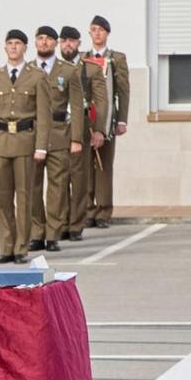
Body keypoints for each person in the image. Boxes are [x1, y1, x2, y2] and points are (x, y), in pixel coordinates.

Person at [0, 28, 52, 262]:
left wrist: (41, 146)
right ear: (5, 47)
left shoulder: (37, 77)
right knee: (3, 198)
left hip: (25, 142)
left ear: (25, 48)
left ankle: (21, 248)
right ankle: (6, 247)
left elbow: (44, 115)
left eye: (18, 43)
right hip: (1, 143)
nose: (14, 47)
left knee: (24, 198)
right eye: (10, 43)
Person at [27, 25, 84, 250]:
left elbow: (77, 107)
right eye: (40, 38)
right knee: (32, 185)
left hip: (60, 132)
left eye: (49, 39)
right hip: (32, 134)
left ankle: (53, 233)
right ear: (35, 42)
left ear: (55, 43)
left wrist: (77, 138)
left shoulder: (68, 70)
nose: (44, 43)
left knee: (57, 187)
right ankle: (36, 232)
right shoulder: (28, 70)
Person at [58, 25, 106, 242]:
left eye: (72, 40)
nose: (67, 44)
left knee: (78, 178)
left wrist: (99, 130)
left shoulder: (90, 69)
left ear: (79, 43)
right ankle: (58, 222)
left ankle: (75, 224)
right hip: (57, 128)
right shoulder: (52, 69)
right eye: (64, 40)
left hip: (81, 126)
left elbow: (102, 101)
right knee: (58, 177)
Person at [81, 15, 128, 227]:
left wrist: (122, 120)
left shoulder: (116, 58)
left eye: (101, 29)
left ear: (107, 33)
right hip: (86, 119)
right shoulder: (82, 58)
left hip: (107, 118)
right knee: (86, 166)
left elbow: (123, 91)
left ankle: (103, 211)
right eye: (93, 29)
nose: (97, 33)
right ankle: (88, 210)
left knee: (104, 166)